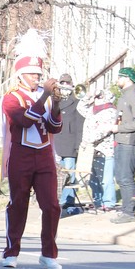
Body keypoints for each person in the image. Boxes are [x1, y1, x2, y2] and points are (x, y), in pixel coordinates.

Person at [0, 29, 62, 269]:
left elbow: (54, 127)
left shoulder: (44, 96)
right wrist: (45, 94)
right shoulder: (10, 97)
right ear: (21, 75)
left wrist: (55, 104)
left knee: (52, 205)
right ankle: (11, 250)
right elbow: (24, 120)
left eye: (39, 73)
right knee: (18, 203)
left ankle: (48, 253)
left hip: (44, 155)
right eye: (32, 74)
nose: (37, 77)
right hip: (21, 154)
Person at [110, 67, 135, 223]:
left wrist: (119, 128)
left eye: (119, 77)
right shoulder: (124, 95)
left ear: (127, 79)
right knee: (121, 176)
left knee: (125, 177)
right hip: (121, 141)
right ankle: (128, 209)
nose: (117, 80)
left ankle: (129, 212)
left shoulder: (133, 96)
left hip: (130, 143)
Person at [78, 92, 118, 211]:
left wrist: (87, 140)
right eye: (96, 97)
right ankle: (98, 201)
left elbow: (104, 130)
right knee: (93, 179)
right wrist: (88, 96)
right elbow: (80, 107)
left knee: (106, 179)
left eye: (99, 97)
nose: (97, 99)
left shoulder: (111, 111)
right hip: (91, 150)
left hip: (105, 149)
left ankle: (109, 202)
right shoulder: (92, 110)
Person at [53, 73, 85, 208]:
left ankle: (68, 200)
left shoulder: (76, 100)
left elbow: (79, 123)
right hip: (57, 140)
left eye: (67, 83)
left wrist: (78, 143)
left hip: (70, 141)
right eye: (62, 83)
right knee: (58, 173)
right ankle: (59, 199)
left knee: (70, 172)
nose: (65, 86)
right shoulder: (56, 100)